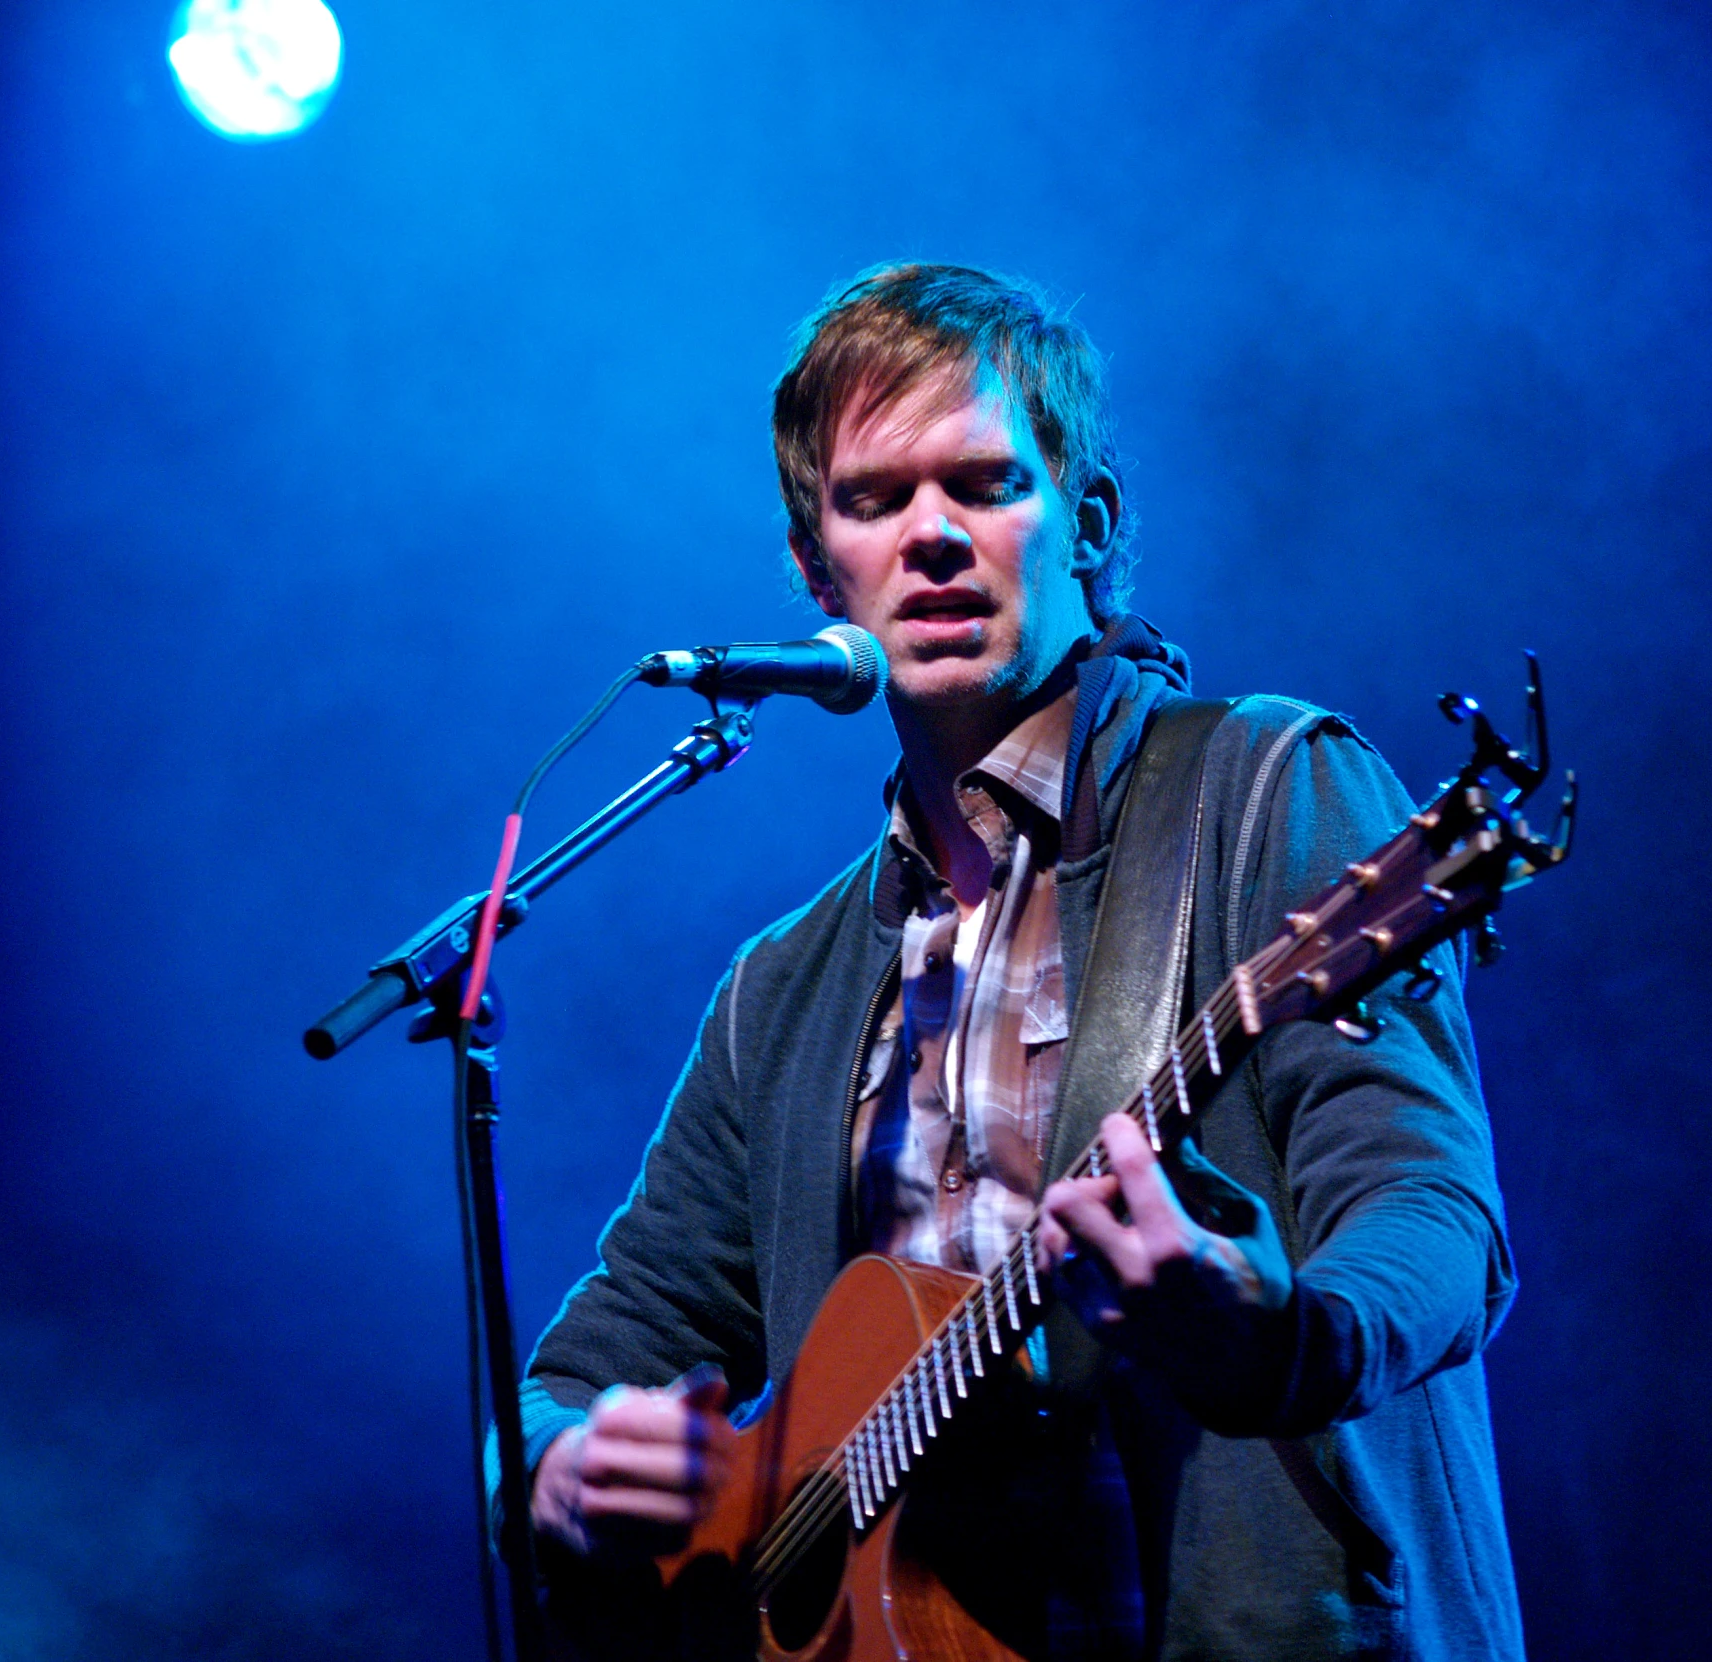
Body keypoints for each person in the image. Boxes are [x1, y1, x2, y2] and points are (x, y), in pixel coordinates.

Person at [507, 263, 1527, 1660]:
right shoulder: (783, 989)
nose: (932, 537)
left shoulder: (1267, 790)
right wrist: (562, 1467)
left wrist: (1282, 1332)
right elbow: (595, 1355)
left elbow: (1435, 1217)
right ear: (819, 571)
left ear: (1089, 524)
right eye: (874, 500)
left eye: (985, 486)